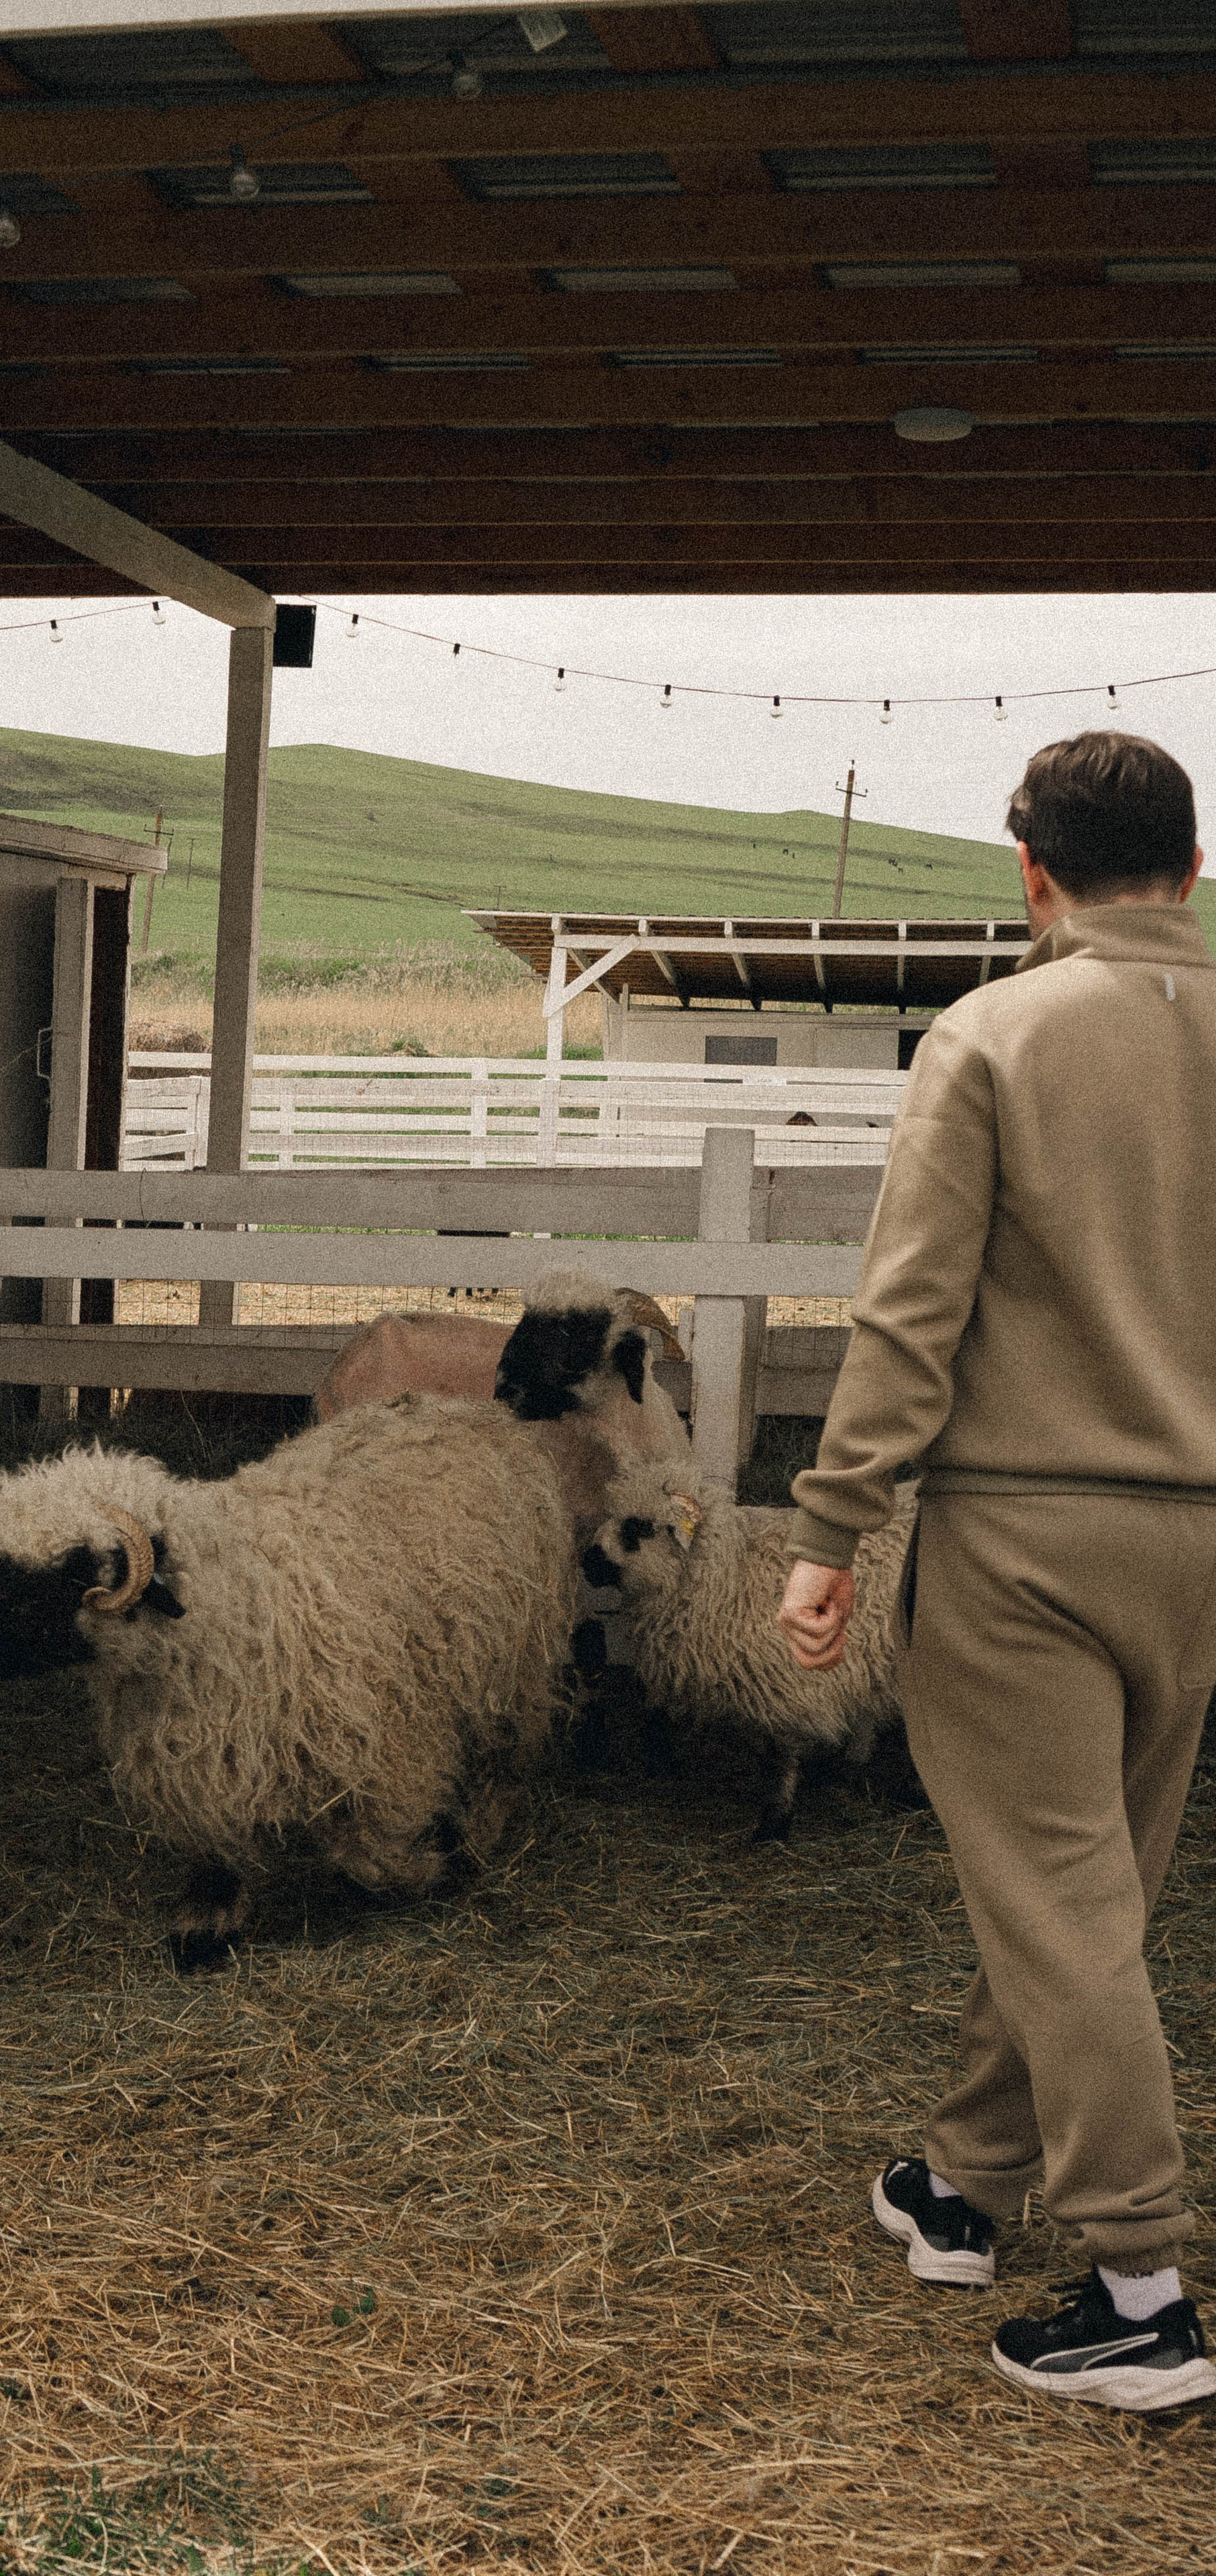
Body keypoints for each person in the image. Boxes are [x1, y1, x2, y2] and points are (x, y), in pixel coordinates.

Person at [776, 731, 1216, 2414]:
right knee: (1075, 1892)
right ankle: (961, 2179)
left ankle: (1140, 2292)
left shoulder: (993, 1033)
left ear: (1027, 871)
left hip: (1025, 1543)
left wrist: (829, 1530)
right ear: (1188, 866)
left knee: (1062, 1905)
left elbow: (909, 1313)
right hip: (1198, 1546)